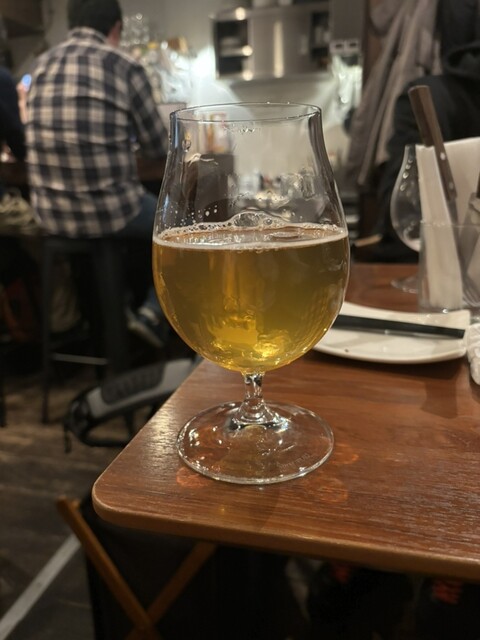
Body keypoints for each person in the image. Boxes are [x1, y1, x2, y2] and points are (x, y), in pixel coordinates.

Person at [25, 0, 170, 349]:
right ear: (115, 29)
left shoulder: (40, 66)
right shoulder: (123, 65)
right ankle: (152, 314)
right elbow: (158, 147)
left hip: (51, 216)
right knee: (179, 228)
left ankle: (113, 318)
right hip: (110, 211)